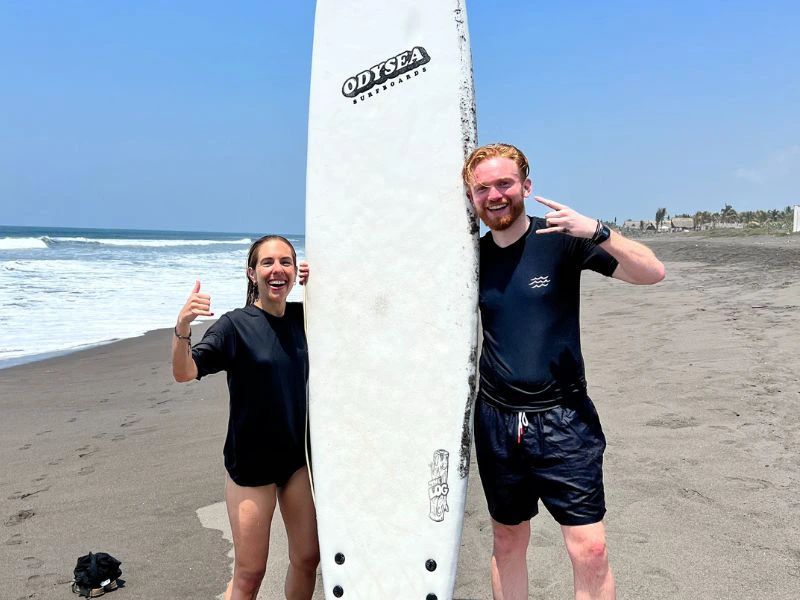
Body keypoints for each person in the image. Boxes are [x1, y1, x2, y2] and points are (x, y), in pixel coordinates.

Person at [463, 143, 665, 600]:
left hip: (565, 419)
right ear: (472, 199)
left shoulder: (562, 239)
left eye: (504, 184)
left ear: (526, 187)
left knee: (590, 549)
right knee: (507, 542)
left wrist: (597, 230)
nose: (495, 195)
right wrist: (318, 277)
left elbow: (652, 273)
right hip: (497, 420)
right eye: (482, 189)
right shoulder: (470, 260)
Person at [171, 235, 319, 600]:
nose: (277, 269)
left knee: (307, 558)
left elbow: (355, 312)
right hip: (251, 467)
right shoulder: (234, 326)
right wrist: (183, 327)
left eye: (286, 261)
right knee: (250, 573)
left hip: (296, 461)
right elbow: (184, 372)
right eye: (267, 262)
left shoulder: (307, 317)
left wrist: (322, 282)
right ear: (251, 273)